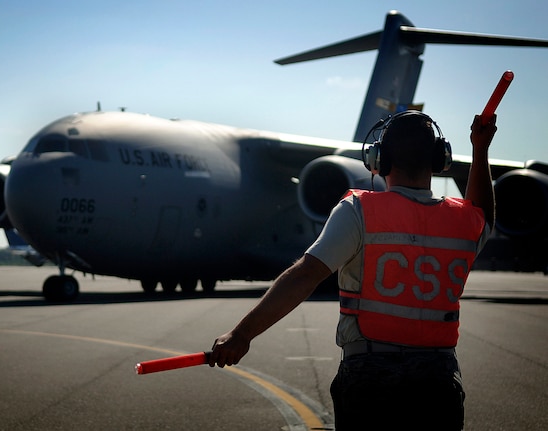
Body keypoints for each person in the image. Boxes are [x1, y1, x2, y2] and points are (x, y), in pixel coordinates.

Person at [208, 110, 497, 431]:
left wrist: (242, 333)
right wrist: (480, 149)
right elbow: (483, 212)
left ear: (379, 160)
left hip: (370, 378)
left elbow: (305, 275)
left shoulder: (359, 211)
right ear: (439, 160)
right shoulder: (464, 222)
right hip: (437, 379)